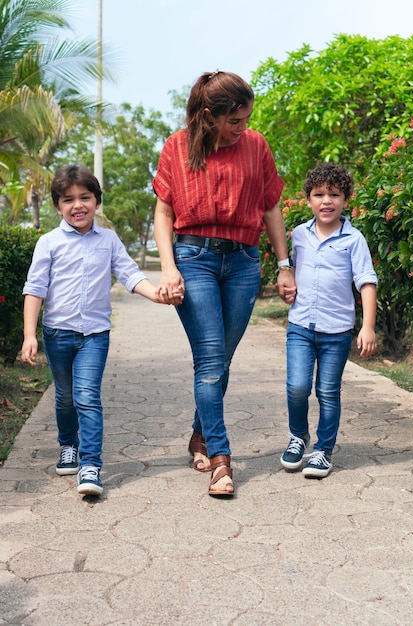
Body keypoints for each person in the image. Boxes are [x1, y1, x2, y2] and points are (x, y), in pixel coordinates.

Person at [152, 71, 294, 497]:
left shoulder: (256, 146)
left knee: (222, 361)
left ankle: (199, 435)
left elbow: (270, 208)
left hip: (245, 263)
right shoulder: (178, 147)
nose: (243, 128)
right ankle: (221, 459)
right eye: (235, 121)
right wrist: (168, 267)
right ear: (210, 116)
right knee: (211, 360)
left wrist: (284, 265)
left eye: (247, 119)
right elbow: (163, 211)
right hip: (193, 259)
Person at [21, 164, 183, 497]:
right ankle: (68, 444)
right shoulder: (48, 243)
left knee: (87, 398)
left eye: (85, 197)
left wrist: (158, 295)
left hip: (95, 335)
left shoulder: (108, 240)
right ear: (57, 206)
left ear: (97, 201)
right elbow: (35, 288)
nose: (77, 205)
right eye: (68, 199)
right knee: (65, 398)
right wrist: (29, 335)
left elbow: (129, 274)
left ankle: (91, 464)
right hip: (57, 334)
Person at [280, 162, 378, 478]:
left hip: (337, 331)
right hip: (301, 326)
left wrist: (368, 326)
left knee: (327, 391)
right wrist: (287, 284)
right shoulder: (299, 236)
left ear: (346, 200)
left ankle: (323, 450)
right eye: (319, 194)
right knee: (297, 386)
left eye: (334, 194)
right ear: (308, 199)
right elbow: (290, 271)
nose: (327, 201)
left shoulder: (354, 239)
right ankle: (298, 437)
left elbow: (366, 280)